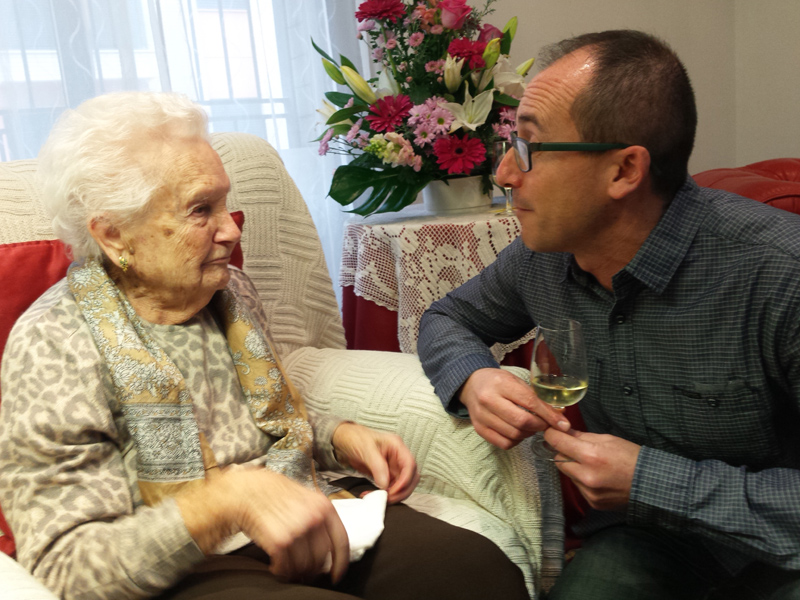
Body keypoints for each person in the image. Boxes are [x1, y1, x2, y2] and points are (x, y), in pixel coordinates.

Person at [0, 92, 530, 600]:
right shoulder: (53, 346)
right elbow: (65, 570)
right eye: (200, 210)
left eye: (225, 203)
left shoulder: (230, 292)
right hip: (182, 566)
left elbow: (266, 424)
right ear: (114, 236)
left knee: (474, 571)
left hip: (306, 511)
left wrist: (338, 437)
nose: (231, 230)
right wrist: (224, 504)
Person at [418, 29, 800, 600]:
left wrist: (651, 482)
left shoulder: (779, 273)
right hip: (653, 541)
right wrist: (474, 378)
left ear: (624, 170)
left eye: (529, 148)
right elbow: (447, 318)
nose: (503, 174)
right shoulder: (541, 258)